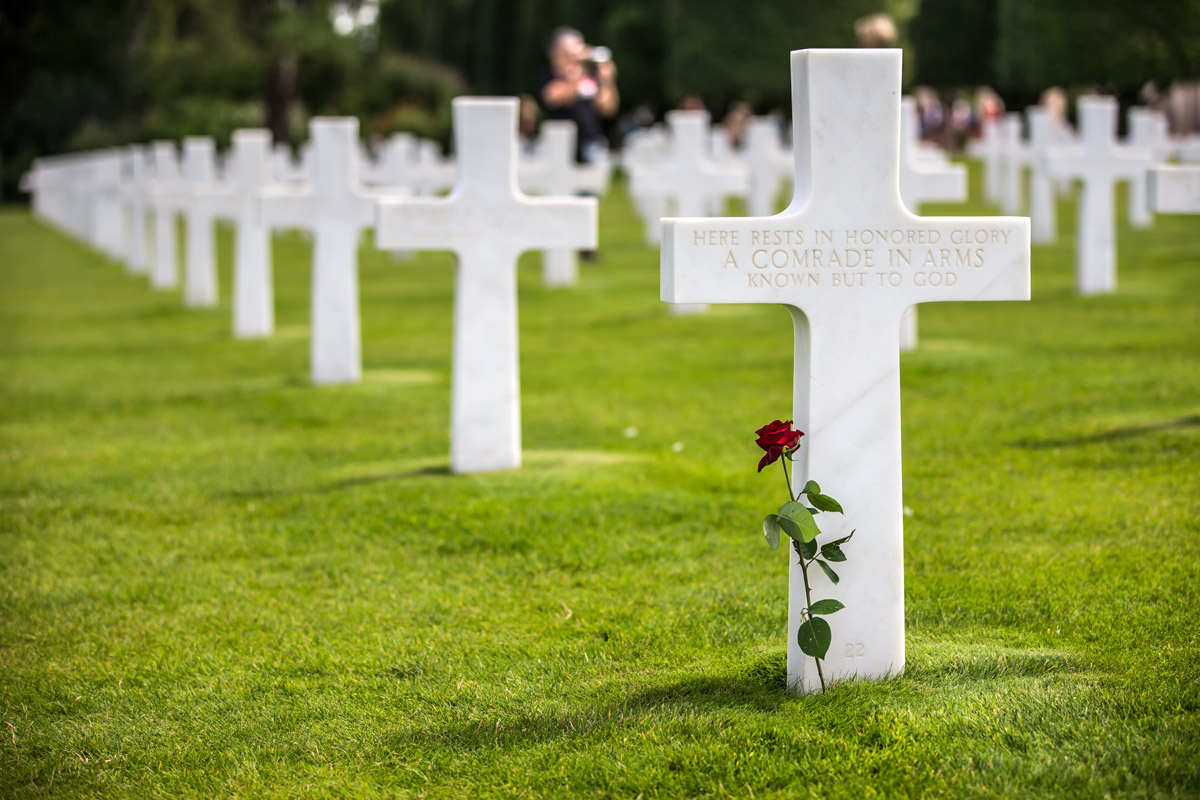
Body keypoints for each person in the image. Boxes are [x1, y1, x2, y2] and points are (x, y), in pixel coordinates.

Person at [537, 27, 619, 164]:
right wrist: (575, 73)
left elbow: (607, 109)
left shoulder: (591, 76)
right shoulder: (548, 76)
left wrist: (606, 81)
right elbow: (555, 97)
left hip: (591, 144)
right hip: (560, 145)